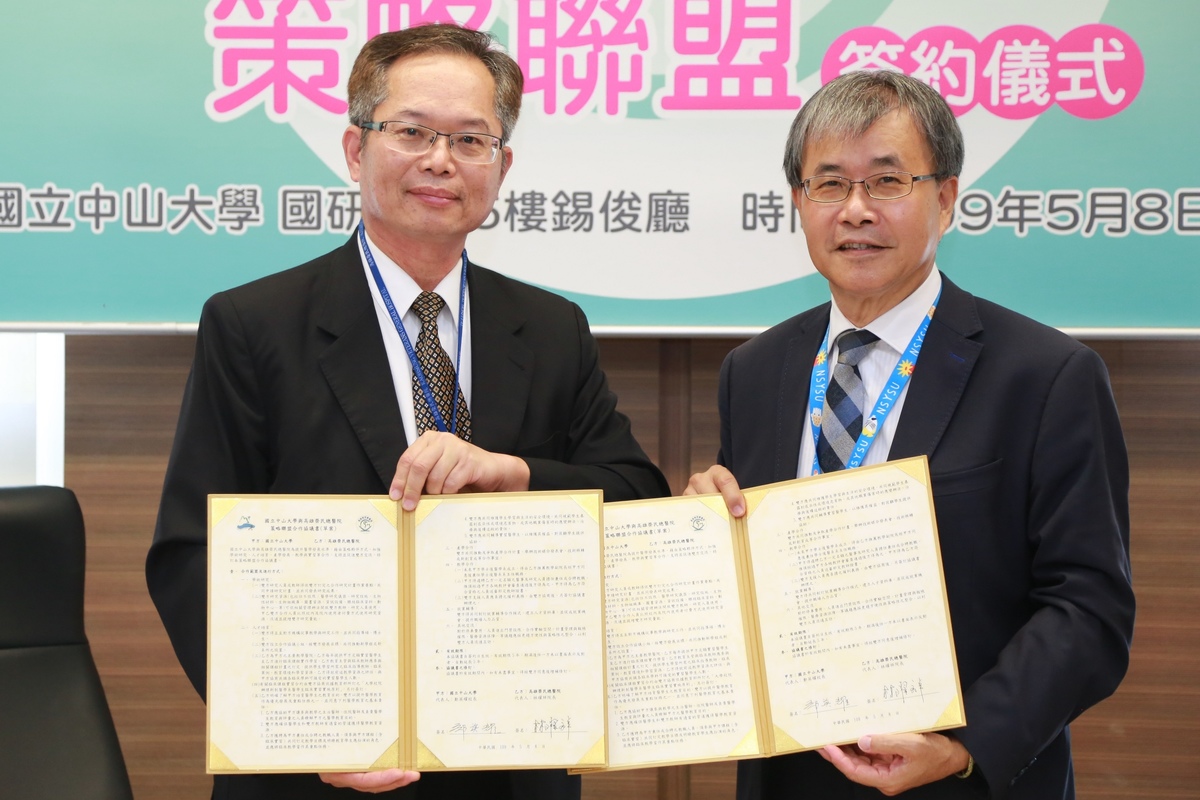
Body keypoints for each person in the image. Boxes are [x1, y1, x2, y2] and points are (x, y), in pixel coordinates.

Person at [146, 23, 668, 800]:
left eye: (470, 140)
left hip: (510, 763)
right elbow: (192, 552)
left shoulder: (552, 328)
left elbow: (637, 502)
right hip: (322, 770)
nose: (440, 161)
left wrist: (518, 475)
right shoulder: (255, 324)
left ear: (502, 165)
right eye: (412, 132)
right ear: (356, 150)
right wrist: (294, 732)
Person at [687, 70, 1134, 799]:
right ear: (800, 203)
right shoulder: (756, 370)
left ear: (946, 198)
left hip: (961, 779)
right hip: (791, 776)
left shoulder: (1047, 375)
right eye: (828, 184)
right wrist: (709, 535)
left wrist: (962, 748)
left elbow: (1090, 609)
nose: (855, 211)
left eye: (887, 182)